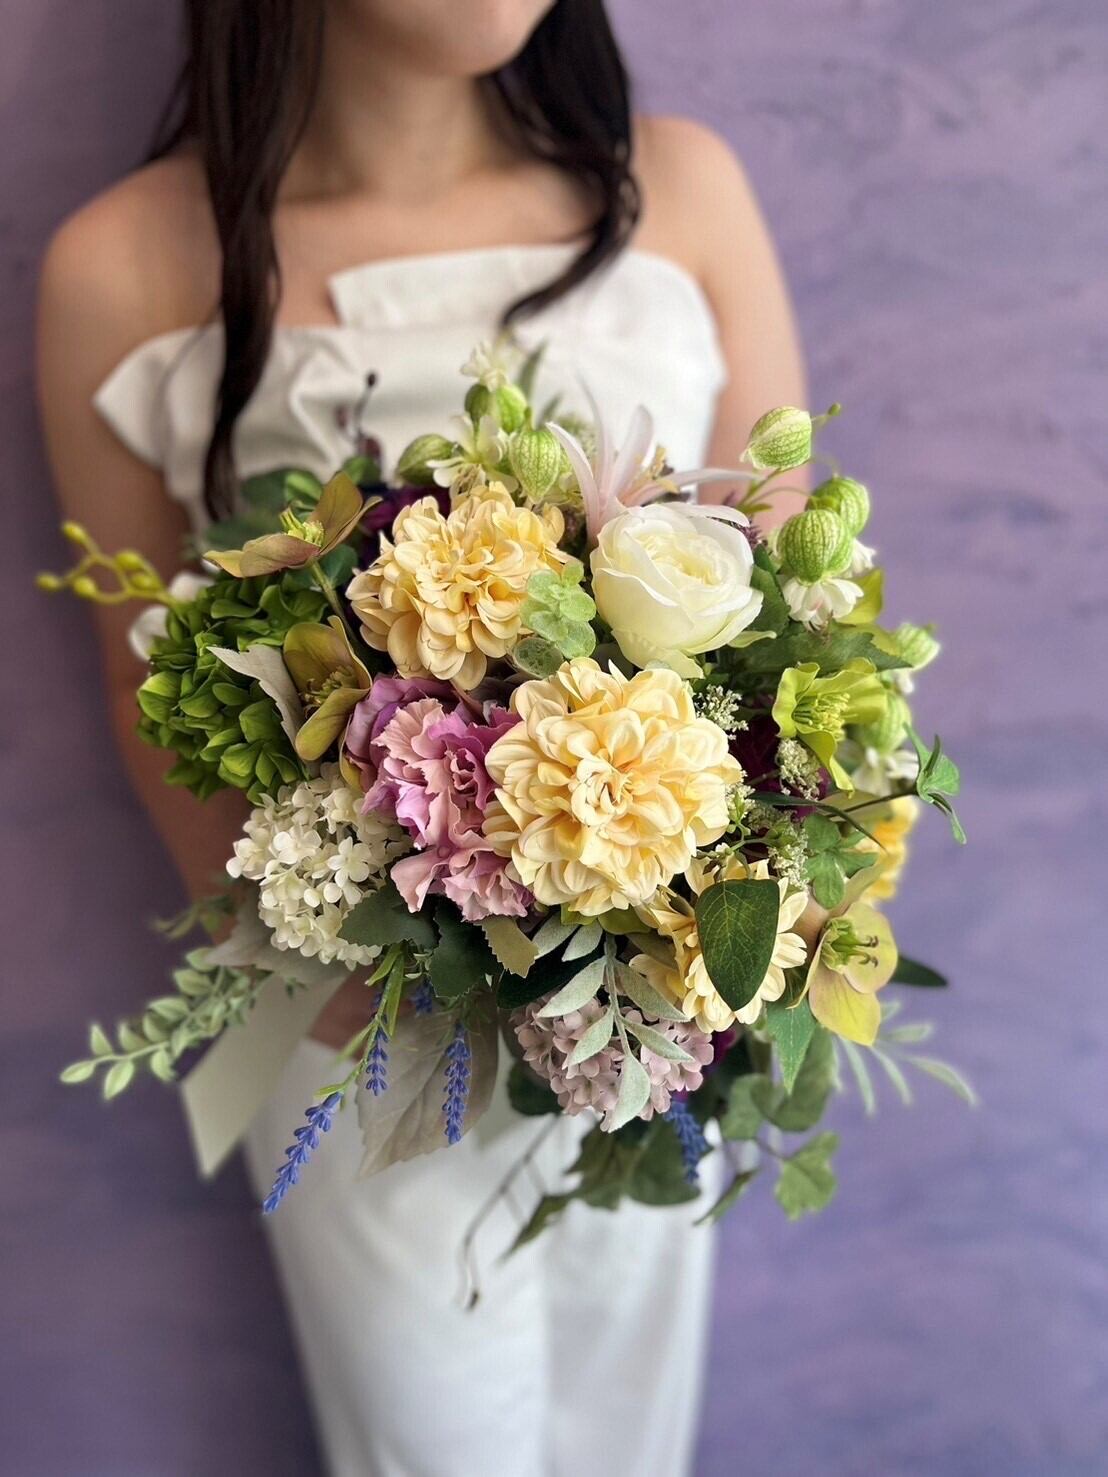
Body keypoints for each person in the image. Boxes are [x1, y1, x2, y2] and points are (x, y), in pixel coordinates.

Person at [37, 2, 805, 1472]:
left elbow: (799, 627)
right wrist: (320, 954)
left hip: (657, 1000)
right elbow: (149, 696)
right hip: (354, 1013)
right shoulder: (124, 266)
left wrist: (751, 930)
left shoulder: (683, 192)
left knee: (630, 1431)